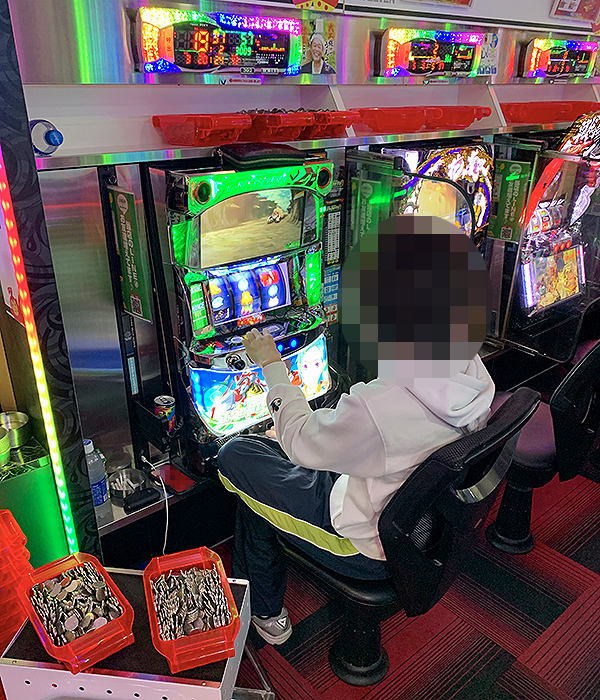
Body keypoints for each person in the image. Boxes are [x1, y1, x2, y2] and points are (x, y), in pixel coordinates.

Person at [217, 216, 495, 645]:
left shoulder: (381, 406)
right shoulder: (470, 367)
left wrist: (271, 364)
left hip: (363, 540)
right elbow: (367, 433)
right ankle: (262, 600)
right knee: (265, 467)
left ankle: (264, 610)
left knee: (234, 457)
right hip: (414, 520)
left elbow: (302, 443)